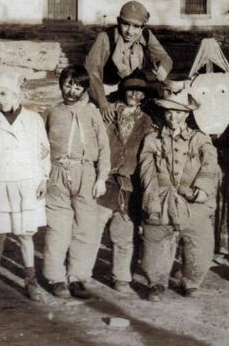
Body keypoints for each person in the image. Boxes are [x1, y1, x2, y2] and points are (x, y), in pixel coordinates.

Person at [0, 72, 50, 301]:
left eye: (4, 93)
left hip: (26, 184)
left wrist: (44, 178)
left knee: (26, 235)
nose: (0, 99)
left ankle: (31, 281)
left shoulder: (34, 120)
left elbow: (44, 152)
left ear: (16, 93)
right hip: (1, 184)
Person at [139, 89, 219, 301]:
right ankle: (157, 281)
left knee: (199, 242)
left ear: (187, 114)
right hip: (162, 198)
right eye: (169, 112)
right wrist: (151, 199)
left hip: (191, 199)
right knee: (155, 239)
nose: (173, 117)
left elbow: (210, 166)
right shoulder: (152, 139)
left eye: (179, 112)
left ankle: (191, 280)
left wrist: (202, 190)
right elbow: (147, 172)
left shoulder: (199, 139)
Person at [42, 64, 110, 299]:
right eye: (68, 84)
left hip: (86, 174)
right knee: (57, 228)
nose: (72, 91)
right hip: (58, 173)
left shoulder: (92, 113)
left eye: (78, 86)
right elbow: (42, 147)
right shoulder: (52, 111)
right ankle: (56, 277)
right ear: (61, 84)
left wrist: (101, 177)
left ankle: (78, 277)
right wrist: (43, 175)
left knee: (85, 229)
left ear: (84, 89)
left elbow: (104, 147)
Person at [99, 71, 155, 293]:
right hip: (105, 180)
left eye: (138, 91)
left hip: (130, 184)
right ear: (122, 93)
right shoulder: (107, 115)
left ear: (143, 96)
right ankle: (78, 274)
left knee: (124, 231)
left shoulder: (147, 122)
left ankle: (121, 276)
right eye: (130, 90)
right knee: (92, 229)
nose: (133, 94)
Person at [85, 0, 173, 122]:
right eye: (126, 24)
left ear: (143, 26)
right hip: (108, 89)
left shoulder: (146, 35)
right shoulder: (106, 37)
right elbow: (92, 71)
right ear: (118, 21)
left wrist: (164, 67)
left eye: (136, 26)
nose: (130, 31)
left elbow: (164, 57)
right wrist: (103, 103)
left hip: (133, 89)